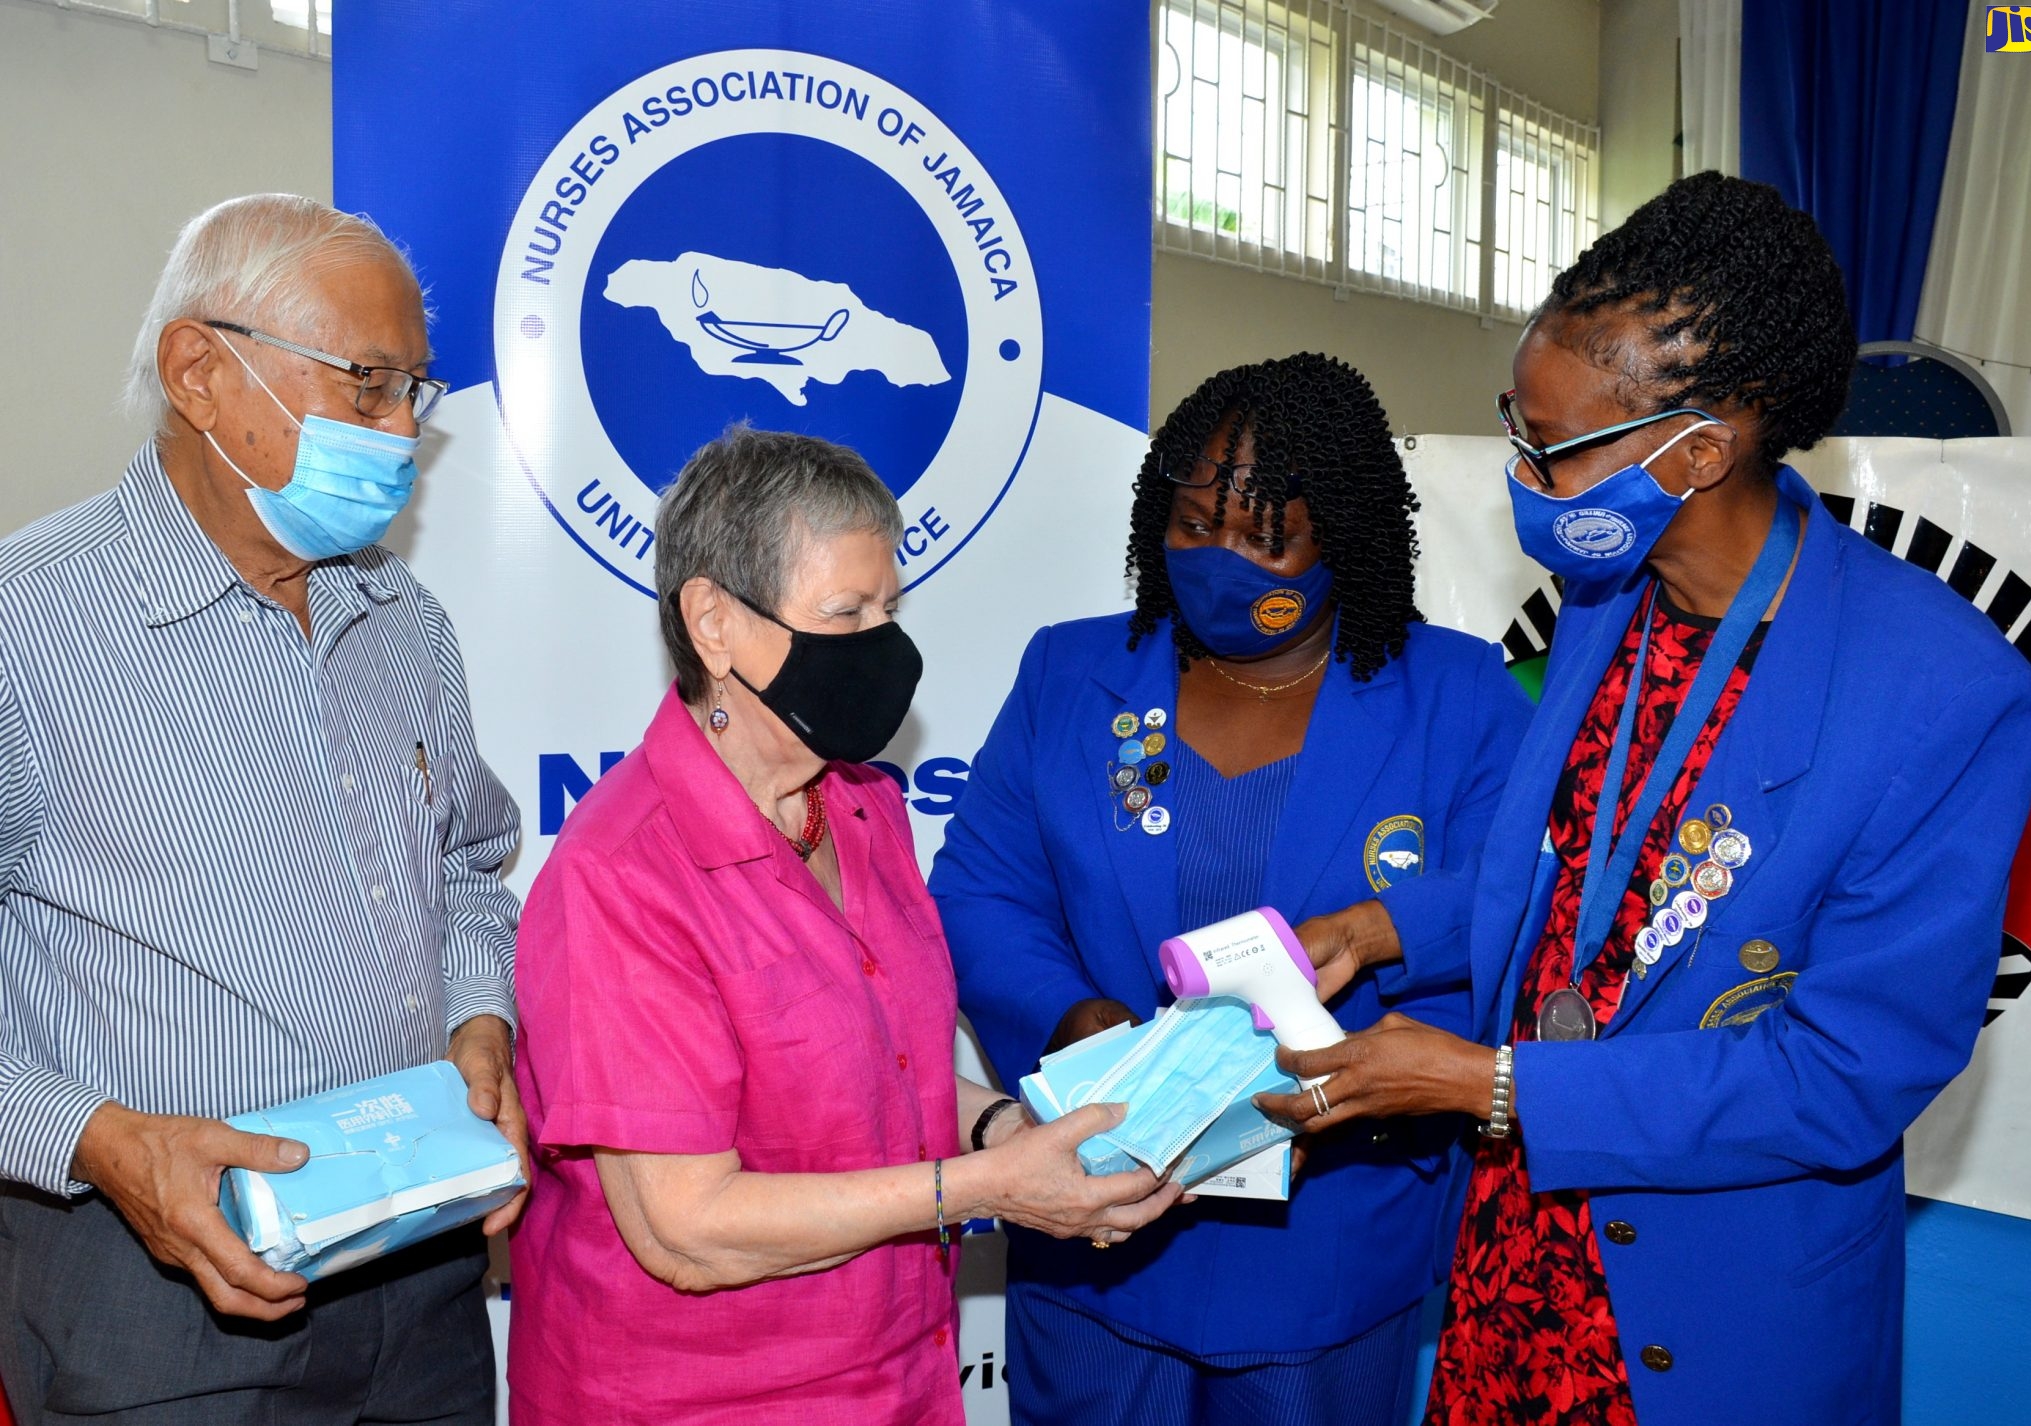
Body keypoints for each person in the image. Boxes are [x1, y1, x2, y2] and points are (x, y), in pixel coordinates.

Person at [1259, 173, 2031, 1426]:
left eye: (1551, 449)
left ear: (1694, 450)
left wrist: (1489, 1086)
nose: (1522, 473)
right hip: (1518, 1244)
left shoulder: (1944, 694)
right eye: (1513, 428)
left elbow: (1844, 1074)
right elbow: (1580, 878)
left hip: (1712, 1305)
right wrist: (1386, 928)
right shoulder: (1603, 599)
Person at [507, 427, 1180, 1426]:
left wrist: (1009, 1127)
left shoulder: (862, 807)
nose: (881, 646)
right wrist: (987, 1185)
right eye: (844, 614)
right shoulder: (621, 876)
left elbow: (878, 1072)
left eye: (889, 609)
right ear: (713, 624)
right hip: (698, 1398)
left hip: (900, 1377)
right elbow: (685, 1229)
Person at [929, 353, 1534, 1426]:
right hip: (1097, 1234)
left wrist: (1365, 1050)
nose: (1221, 561)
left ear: (1339, 536)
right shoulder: (1070, 677)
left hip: (1331, 1244)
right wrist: (1081, 1026)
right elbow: (981, 892)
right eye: (1194, 524)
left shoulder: (1456, 695)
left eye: (1265, 536)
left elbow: (1513, 906)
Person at [0, 195, 524, 1424]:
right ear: (200, 371)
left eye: (416, 395)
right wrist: (101, 1141)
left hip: (422, 1270)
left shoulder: (405, 625)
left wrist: (481, 1020)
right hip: (149, 1291)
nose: (404, 433)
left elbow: (466, 876)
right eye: (369, 385)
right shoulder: (26, 627)